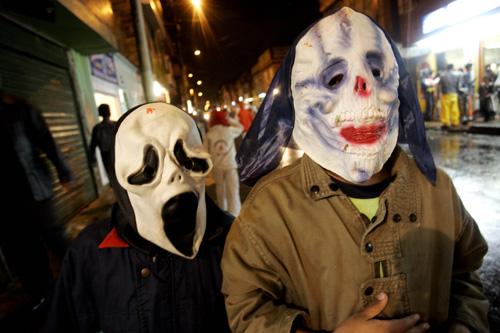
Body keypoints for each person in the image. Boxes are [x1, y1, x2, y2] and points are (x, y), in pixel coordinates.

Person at [222, 7, 489, 333]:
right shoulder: (268, 209)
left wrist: (464, 325)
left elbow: (465, 275)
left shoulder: (438, 189)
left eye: (377, 72)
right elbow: (246, 307)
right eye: (334, 78)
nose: (364, 88)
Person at [45, 102, 232, 332]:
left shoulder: (233, 239)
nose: (174, 174)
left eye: (187, 159)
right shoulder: (90, 253)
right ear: (120, 177)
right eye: (149, 168)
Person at [0, 91, 73, 315]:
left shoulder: (18, 108)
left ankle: (84, 276)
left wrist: (64, 171)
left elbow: (46, 141)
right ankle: (43, 295)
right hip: (5, 199)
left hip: (35, 190)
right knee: (23, 249)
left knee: (53, 236)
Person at [205, 108, 243, 215]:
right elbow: (241, 128)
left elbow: (204, 151)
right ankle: (235, 213)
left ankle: (224, 213)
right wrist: (230, 119)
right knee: (233, 191)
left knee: (221, 191)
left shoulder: (209, 134)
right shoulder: (228, 131)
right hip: (230, 165)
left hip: (217, 166)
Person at [89, 103, 116, 176]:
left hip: (106, 155)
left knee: (111, 175)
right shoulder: (115, 124)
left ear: (100, 113)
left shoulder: (97, 128)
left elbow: (92, 145)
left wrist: (92, 158)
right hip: (117, 153)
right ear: (109, 112)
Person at [439, 64, 461, 129]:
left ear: (446, 68)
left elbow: (440, 85)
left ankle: (446, 123)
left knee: (445, 109)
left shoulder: (442, 75)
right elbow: (458, 86)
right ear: (452, 67)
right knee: (454, 109)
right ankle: (455, 122)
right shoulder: (457, 75)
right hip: (454, 94)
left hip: (445, 94)